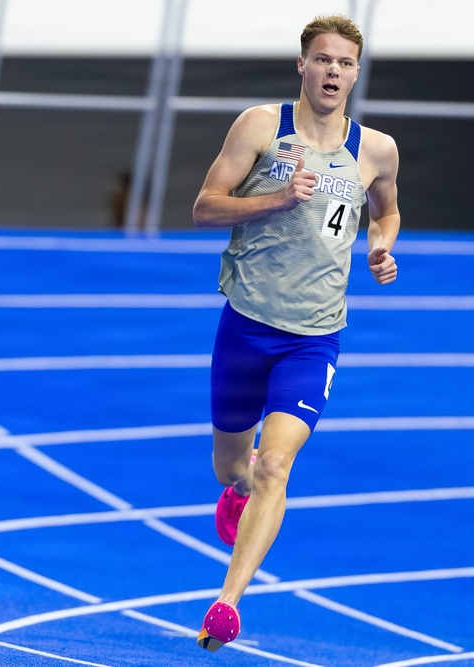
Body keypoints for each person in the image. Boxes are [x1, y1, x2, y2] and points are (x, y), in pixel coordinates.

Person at [191, 14, 400, 651]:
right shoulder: (260, 127)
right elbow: (204, 207)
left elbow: (386, 209)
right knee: (233, 467)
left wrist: (381, 247)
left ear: (356, 73)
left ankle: (227, 603)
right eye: (322, 60)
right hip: (246, 328)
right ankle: (238, 483)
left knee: (277, 465)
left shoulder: (376, 149)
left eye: (344, 63)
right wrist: (273, 201)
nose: (333, 72)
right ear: (302, 67)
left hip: (312, 340)